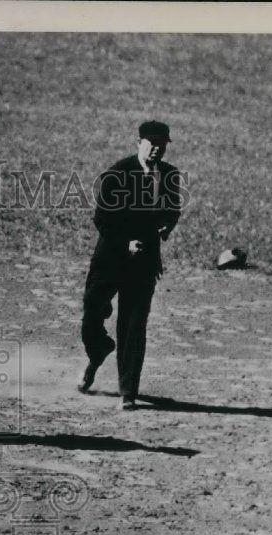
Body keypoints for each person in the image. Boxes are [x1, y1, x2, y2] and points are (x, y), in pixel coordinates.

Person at [79, 120, 184, 409]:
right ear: (138, 143)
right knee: (90, 317)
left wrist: (167, 227)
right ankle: (99, 350)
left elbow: (173, 209)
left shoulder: (170, 175)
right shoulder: (118, 173)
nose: (156, 151)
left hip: (145, 261)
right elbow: (102, 219)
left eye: (161, 146)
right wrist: (125, 243)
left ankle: (128, 392)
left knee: (134, 325)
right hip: (110, 259)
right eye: (151, 144)